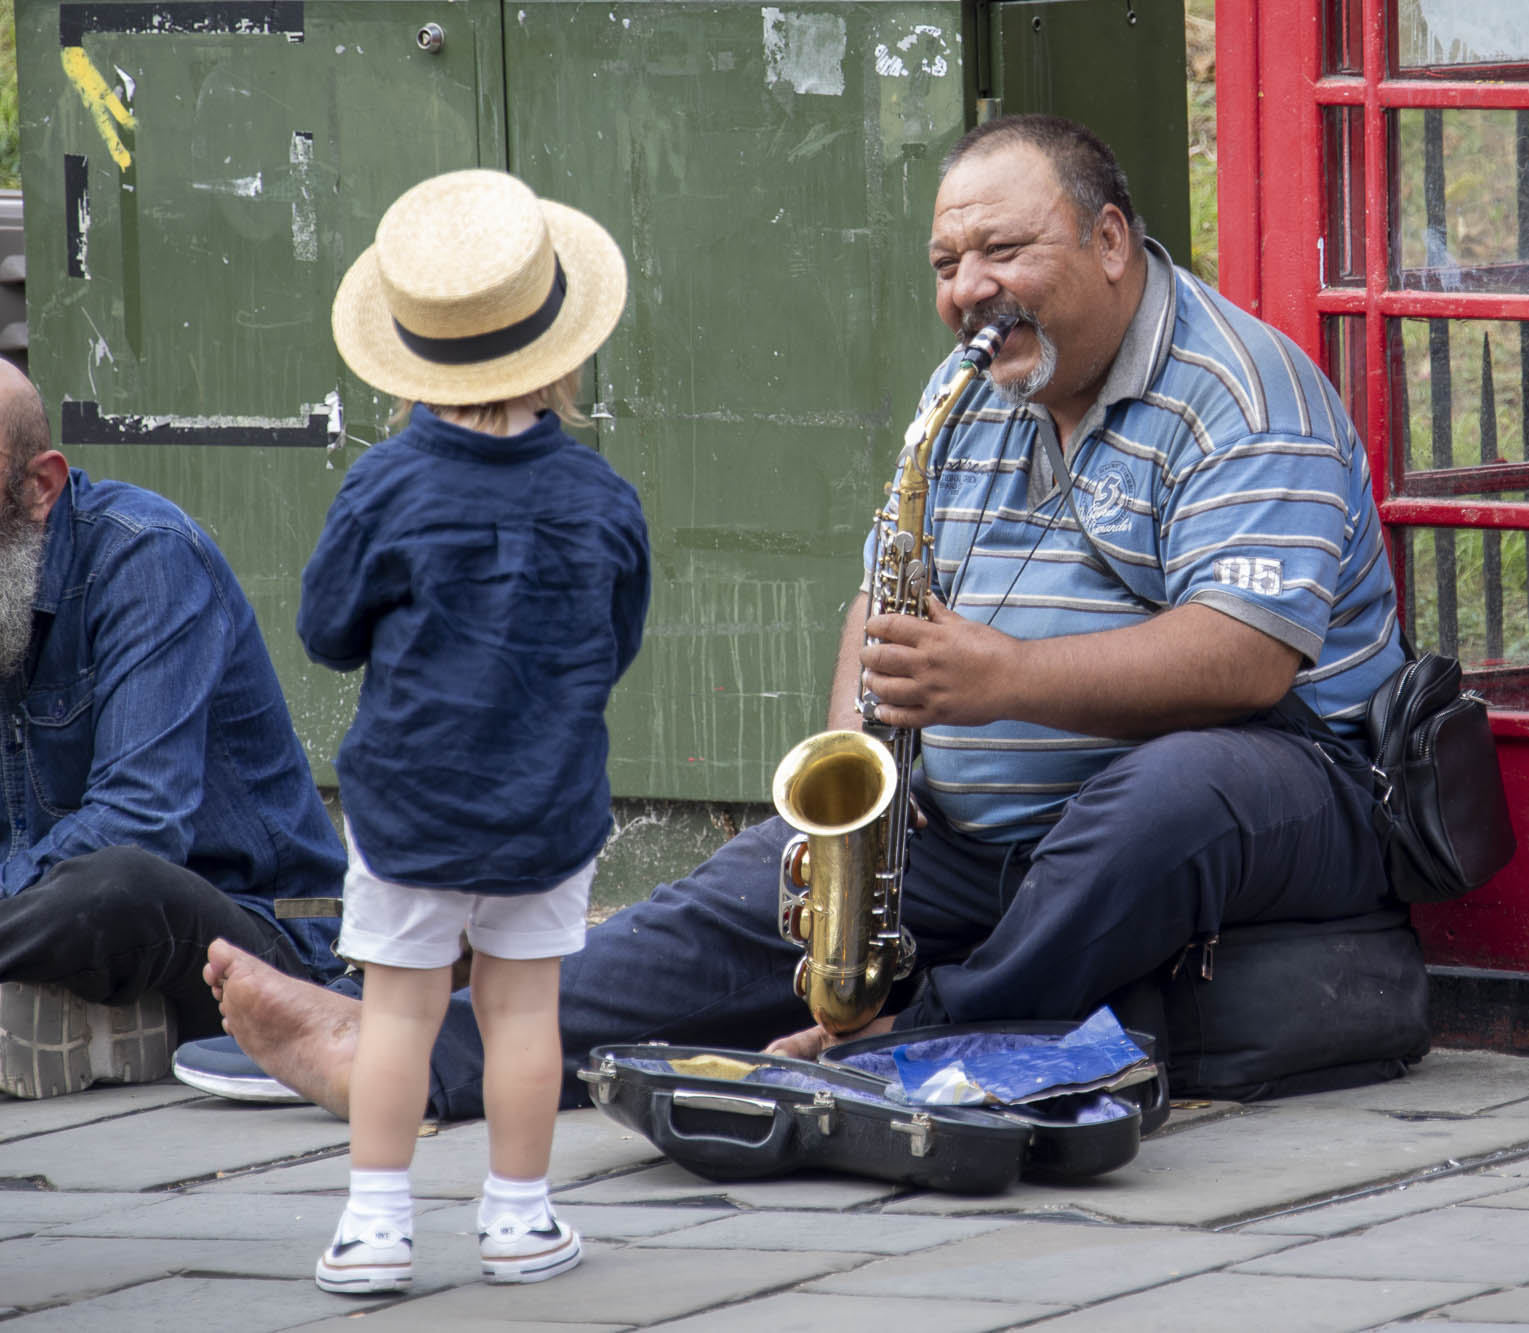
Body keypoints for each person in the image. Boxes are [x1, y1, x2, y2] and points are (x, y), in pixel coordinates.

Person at [198, 114, 1403, 1123]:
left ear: (1105, 241)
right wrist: (855, 804)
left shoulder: (1244, 391)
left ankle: (908, 1046)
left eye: (999, 249)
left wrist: (1001, 680)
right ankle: (423, 1061)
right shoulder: (968, 389)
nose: (966, 291)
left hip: (1279, 787)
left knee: (1167, 795)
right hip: (990, 826)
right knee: (741, 891)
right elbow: (882, 595)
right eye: (943, 264)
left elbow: (1246, 660)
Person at [297, 170, 648, 1296]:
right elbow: (617, 637)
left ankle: (374, 1225)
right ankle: (519, 1218)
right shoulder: (602, 498)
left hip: (409, 800)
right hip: (548, 801)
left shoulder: (382, 488)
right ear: (560, 346)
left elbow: (326, 633)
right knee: (522, 1008)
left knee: (397, 1010)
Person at [0, 360, 346, 1101]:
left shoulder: (145, 554)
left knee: (117, 881)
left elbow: (136, 825)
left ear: (41, 487)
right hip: (51, 925)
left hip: (264, 933)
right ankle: (109, 1014)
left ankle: (119, 1007)